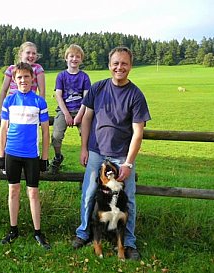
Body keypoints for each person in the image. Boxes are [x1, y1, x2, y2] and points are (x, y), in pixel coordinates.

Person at [72, 46, 151, 260]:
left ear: (130, 66)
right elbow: (87, 119)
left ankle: (128, 242)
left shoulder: (136, 95)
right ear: (109, 65)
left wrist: (128, 164)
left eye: (124, 63)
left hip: (121, 157)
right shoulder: (97, 89)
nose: (119, 67)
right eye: (116, 63)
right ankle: (84, 233)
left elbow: (137, 133)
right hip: (96, 152)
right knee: (89, 194)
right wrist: (84, 148)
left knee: (129, 199)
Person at [0, 62, 51, 250]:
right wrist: (1, 155)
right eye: (19, 77)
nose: (23, 80)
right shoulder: (9, 101)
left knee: (33, 193)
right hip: (12, 153)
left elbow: (45, 132)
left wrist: (44, 158)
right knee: (13, 191)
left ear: (32, 79)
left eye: (26, 77)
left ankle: (38, 232)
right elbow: (3, 130)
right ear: (14, 79)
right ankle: (13, 229)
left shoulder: (39, 102)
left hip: (31, 155)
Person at [50, 44, 91, 174]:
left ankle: (89, 161)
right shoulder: (61, 76)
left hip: (81, 110)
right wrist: (67, 114)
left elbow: (87, 98)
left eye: (77, 56)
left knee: (88, 136)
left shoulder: (84, 77)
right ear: (66, 58)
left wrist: (79, 115)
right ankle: (57, 157)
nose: (74, 59)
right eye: (71, 56)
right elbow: (58, 95)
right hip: (64, 110)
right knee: (56, 136)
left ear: (81, 60)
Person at [0, 41, 46, 107]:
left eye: (34, 53)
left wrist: (41, 108)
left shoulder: (38, 68)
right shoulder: (11, 69)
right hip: (13, 104)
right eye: (28, 53)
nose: (31, 55)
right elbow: (4, 90)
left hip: (30, 104)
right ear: (21, 54)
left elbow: (42, 91)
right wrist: (1, 109)